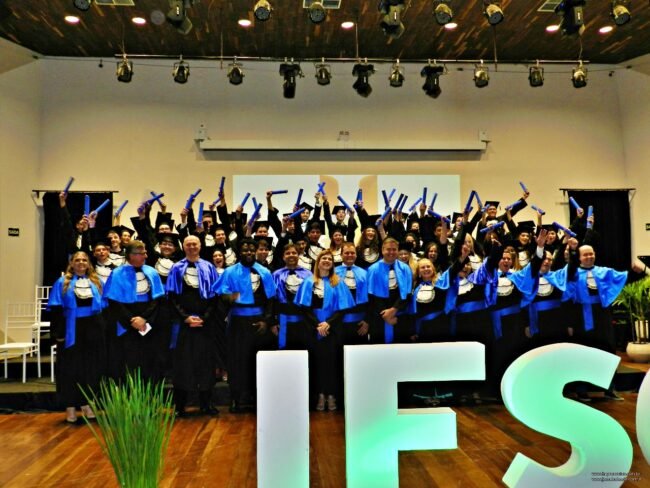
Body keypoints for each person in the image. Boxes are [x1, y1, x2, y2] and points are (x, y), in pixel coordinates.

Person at [214, 238, 276, 413]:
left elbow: (271, 300)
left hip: (259, 322)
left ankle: (258, 398)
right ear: (239, 252)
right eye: (245, 249)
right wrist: (230, 296)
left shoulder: (264, 272)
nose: (248, 252)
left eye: (251, 250)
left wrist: (266, 321)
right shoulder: (230, 271)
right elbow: (221, 296)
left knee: (257, 361)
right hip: (238, 323)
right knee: (237, 360)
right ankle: (236, 398)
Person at [166, 235, 222, 416]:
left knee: (206, 365)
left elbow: (215, 297)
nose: (191, 247)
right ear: (183, 247)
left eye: (194, 244)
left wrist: (204, 318)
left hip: (205, 325)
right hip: (184, 325)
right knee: (182, 365)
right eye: (188, 244)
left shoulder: (209, 267)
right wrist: (186, 317)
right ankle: (180, 406)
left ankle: (206, 404)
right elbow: (172, 298)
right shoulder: (176, 268)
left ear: (200, 246)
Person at [48, 252, 106, 424]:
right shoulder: (61, 282)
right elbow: (56, 310)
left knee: (91, 369)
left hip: (93, 329)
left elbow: (105, 307)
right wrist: (58, 335)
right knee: (70, 369)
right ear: (71, 263)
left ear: (89, 263)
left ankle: (87, 403)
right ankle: (70, 406)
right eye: (77, 260)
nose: (81, 263)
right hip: (71, 330)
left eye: (84, 260)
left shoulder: (97, 282)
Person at [295, 250, 354, 411]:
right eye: (324, 258)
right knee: (316, 363)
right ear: (318, 262)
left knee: (333, 363)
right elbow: (304, 309)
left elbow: (343, 309)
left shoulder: (338, 282)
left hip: (333, 329)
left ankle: (332, 395)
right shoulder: (308, 282)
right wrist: (318, 325)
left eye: (330, 259)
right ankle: (320, 395)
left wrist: (328, 324)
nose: (327, 260)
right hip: (313, 329)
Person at [103, 241, 166, 383]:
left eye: (145, 252)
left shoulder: (152, 271)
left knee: (149, 361)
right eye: (142, 253)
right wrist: (132, 320)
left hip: (148, 323)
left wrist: (144, 319)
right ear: (131, 255)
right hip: (125, 324)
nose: (146, 256)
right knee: (128, 361)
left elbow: (157, 300)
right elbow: (115, 302)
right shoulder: (117, 273)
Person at [367, 237, 414, 344]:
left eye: (394, 249)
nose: (391, 252)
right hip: (379, 317)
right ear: (382, 250)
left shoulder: (405, 268)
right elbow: (371, 296)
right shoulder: (373, 269)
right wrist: (386, 315)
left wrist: (393, 310)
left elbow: (407, 293)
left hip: (399, 315)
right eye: (388, 249)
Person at [272, 243, 313, 350]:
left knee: (303, 351)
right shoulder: (276, 274)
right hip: (283, 319)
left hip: (304, 320)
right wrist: (273, 322)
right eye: (288, 253)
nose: (291, 255)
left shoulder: (308, 274)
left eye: (294, 253)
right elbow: (272, 300)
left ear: (298, 255)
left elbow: (312, 299)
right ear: (283, 257)